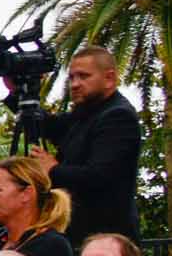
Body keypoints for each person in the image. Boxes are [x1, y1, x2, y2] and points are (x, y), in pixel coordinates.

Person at [39, 45, 140, 244]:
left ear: (109, 78)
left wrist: (52, 170)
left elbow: (100, 175)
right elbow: (50, 126)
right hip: (79, 234)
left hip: (107, 237)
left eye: (83, 76)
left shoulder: (118, 116)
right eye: (71, 78)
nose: (75, 84)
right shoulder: (85, 113)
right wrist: (18, 92)